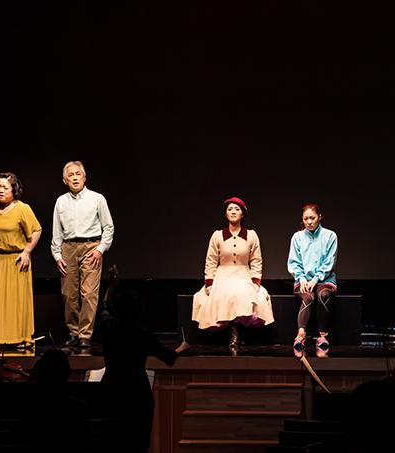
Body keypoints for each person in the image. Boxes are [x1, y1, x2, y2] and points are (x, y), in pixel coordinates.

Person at [98, 264, 189, 452]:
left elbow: (105, 306)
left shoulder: (108, 328)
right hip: (138, 398)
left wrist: (112, 284)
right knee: (138, 445)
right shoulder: (142, 334)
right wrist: (181, 348)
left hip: (111, 393)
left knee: (111, 443)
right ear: (140, 312)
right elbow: (168, 356)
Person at [191, 197, 274, 348]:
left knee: (247, 295)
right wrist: (209, 282)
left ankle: (240, 332)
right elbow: (210, 260)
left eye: (237, 209)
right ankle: (233, 333)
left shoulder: (251, 235)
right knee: (224, 295)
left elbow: (256, 260)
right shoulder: (217, 235)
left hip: (243, 273)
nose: (233, 212)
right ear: (226, 214)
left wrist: (255, 281)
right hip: (223, 273)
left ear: (243, 214)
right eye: (230, 209)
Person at [51, 160, 114, 348]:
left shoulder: (97, 198)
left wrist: (100, 249)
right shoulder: (61, 202)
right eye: (70, 175)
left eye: (78, 174)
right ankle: (73, 332)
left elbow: (108, 227)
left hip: (91, 247)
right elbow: (56, 232)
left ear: (84, 177)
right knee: (69, 294)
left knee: (89, 294)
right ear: (64, 180)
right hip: (68, 248)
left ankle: (85, 334)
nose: (75, 177)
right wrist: (58, 256)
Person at [0, 172, 42, 347]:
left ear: (14, 189)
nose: (1, 191)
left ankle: (20, 338)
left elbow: (36, 230)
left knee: (16, 301)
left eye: (5, 187)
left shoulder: (23, 208)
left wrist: (27, 251)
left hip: (16, 261)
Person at [287, 204, 338, 358]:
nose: (309, 222)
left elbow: (329, 262)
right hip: (303, 280)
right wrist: (302, 279)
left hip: (324, 280)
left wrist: (315, 280)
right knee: (308, 297)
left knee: (322, 295)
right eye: (306, 219)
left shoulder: (330, 236)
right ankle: (300, 335)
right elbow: (294, 262)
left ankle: (321, 335)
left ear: (319, 217)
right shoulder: (297, 237)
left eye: (312, 218)